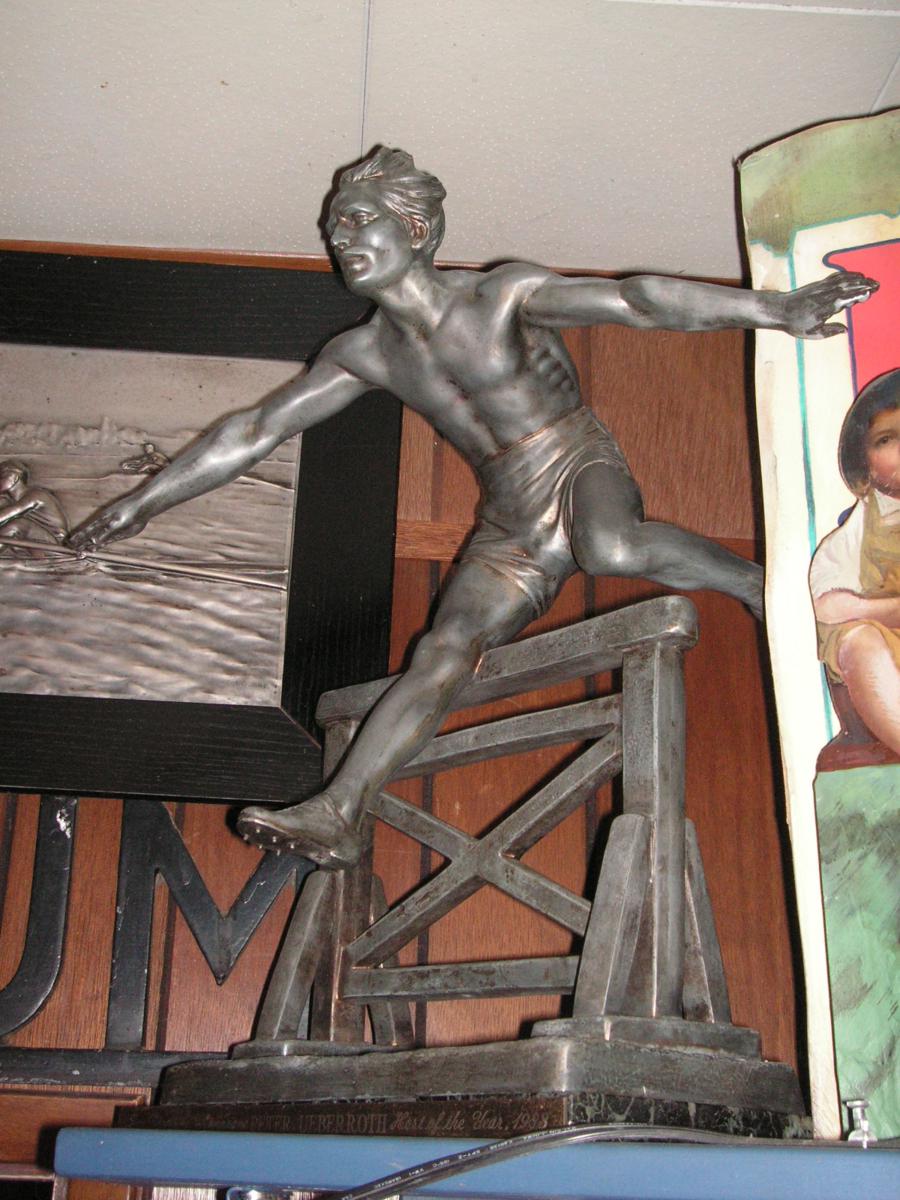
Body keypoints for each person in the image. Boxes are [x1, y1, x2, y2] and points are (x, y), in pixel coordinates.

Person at [69, 147, 878, 867]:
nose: (338, 238)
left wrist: (774, 310)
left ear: (417, 230)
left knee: (611, 548)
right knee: (443, 649)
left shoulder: (501, 296)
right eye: (331, 228)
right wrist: (143, 502)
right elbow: (253, 430)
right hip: (508, 515)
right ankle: (340, 813)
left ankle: (756, 585)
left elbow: (636, 301)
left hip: (575, 458)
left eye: (356, 219)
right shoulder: (363, 353)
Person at [809, 369, 900, 754]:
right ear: (865, 461)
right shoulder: (856, 533)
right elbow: (828, 605)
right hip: (888, 655)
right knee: (859, 643)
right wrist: (879, 610)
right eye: (887, 439)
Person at [0, 459, 69, 555]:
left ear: (15, 477)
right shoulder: (8, 500)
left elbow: (14, 511)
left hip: (53, 544)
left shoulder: (36, 494)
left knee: (18, 524)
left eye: (2, 476)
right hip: (32, 541)